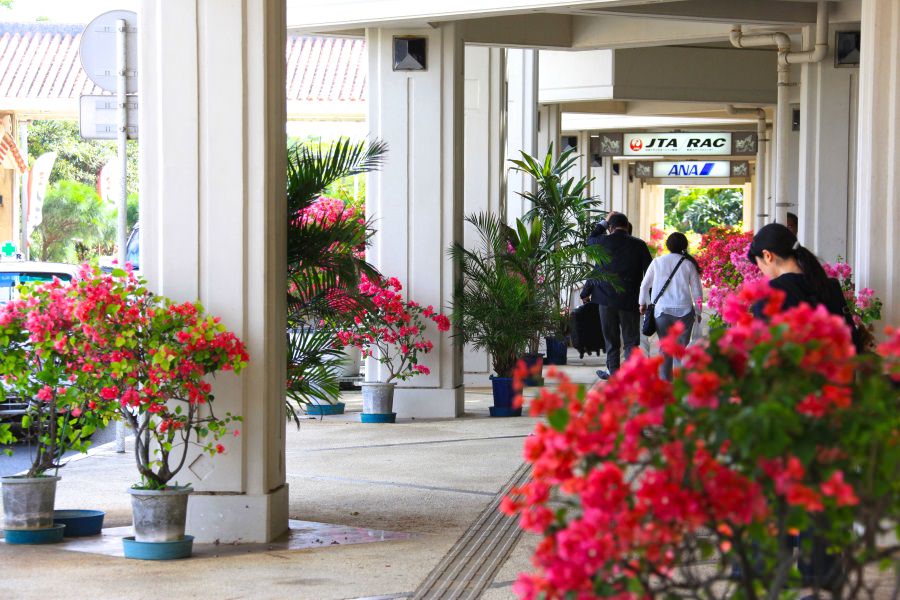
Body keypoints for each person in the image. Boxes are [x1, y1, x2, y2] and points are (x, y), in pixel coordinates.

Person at [747, 222, 856, 594]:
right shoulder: (829, 288)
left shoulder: (773, 298)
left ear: (768, 257)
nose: (760, 274)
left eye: (759, 265)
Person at [580, 212, 652, 378]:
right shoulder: (639, 245)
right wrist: (645, 300)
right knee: (631, 341)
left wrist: (603, 222)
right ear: (627, 226)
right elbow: (649, 274)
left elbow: (591, 244)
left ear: (610, 228)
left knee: (611, 341)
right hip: (630, 300)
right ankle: (630, 376)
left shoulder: (602, 242)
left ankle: (613, 374)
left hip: (605, 300)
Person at [638, 232, 703, 380]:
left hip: (662, 312)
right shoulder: (688, 264)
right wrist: (698, 311)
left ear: (668, 246)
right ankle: (680, 385)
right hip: (685, 312)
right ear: (685, 246)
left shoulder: (657, 262)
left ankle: (665, 384)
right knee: (681, 350)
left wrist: (642, 304)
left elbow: (644, 285)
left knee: (665, 349)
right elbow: (697, 290)